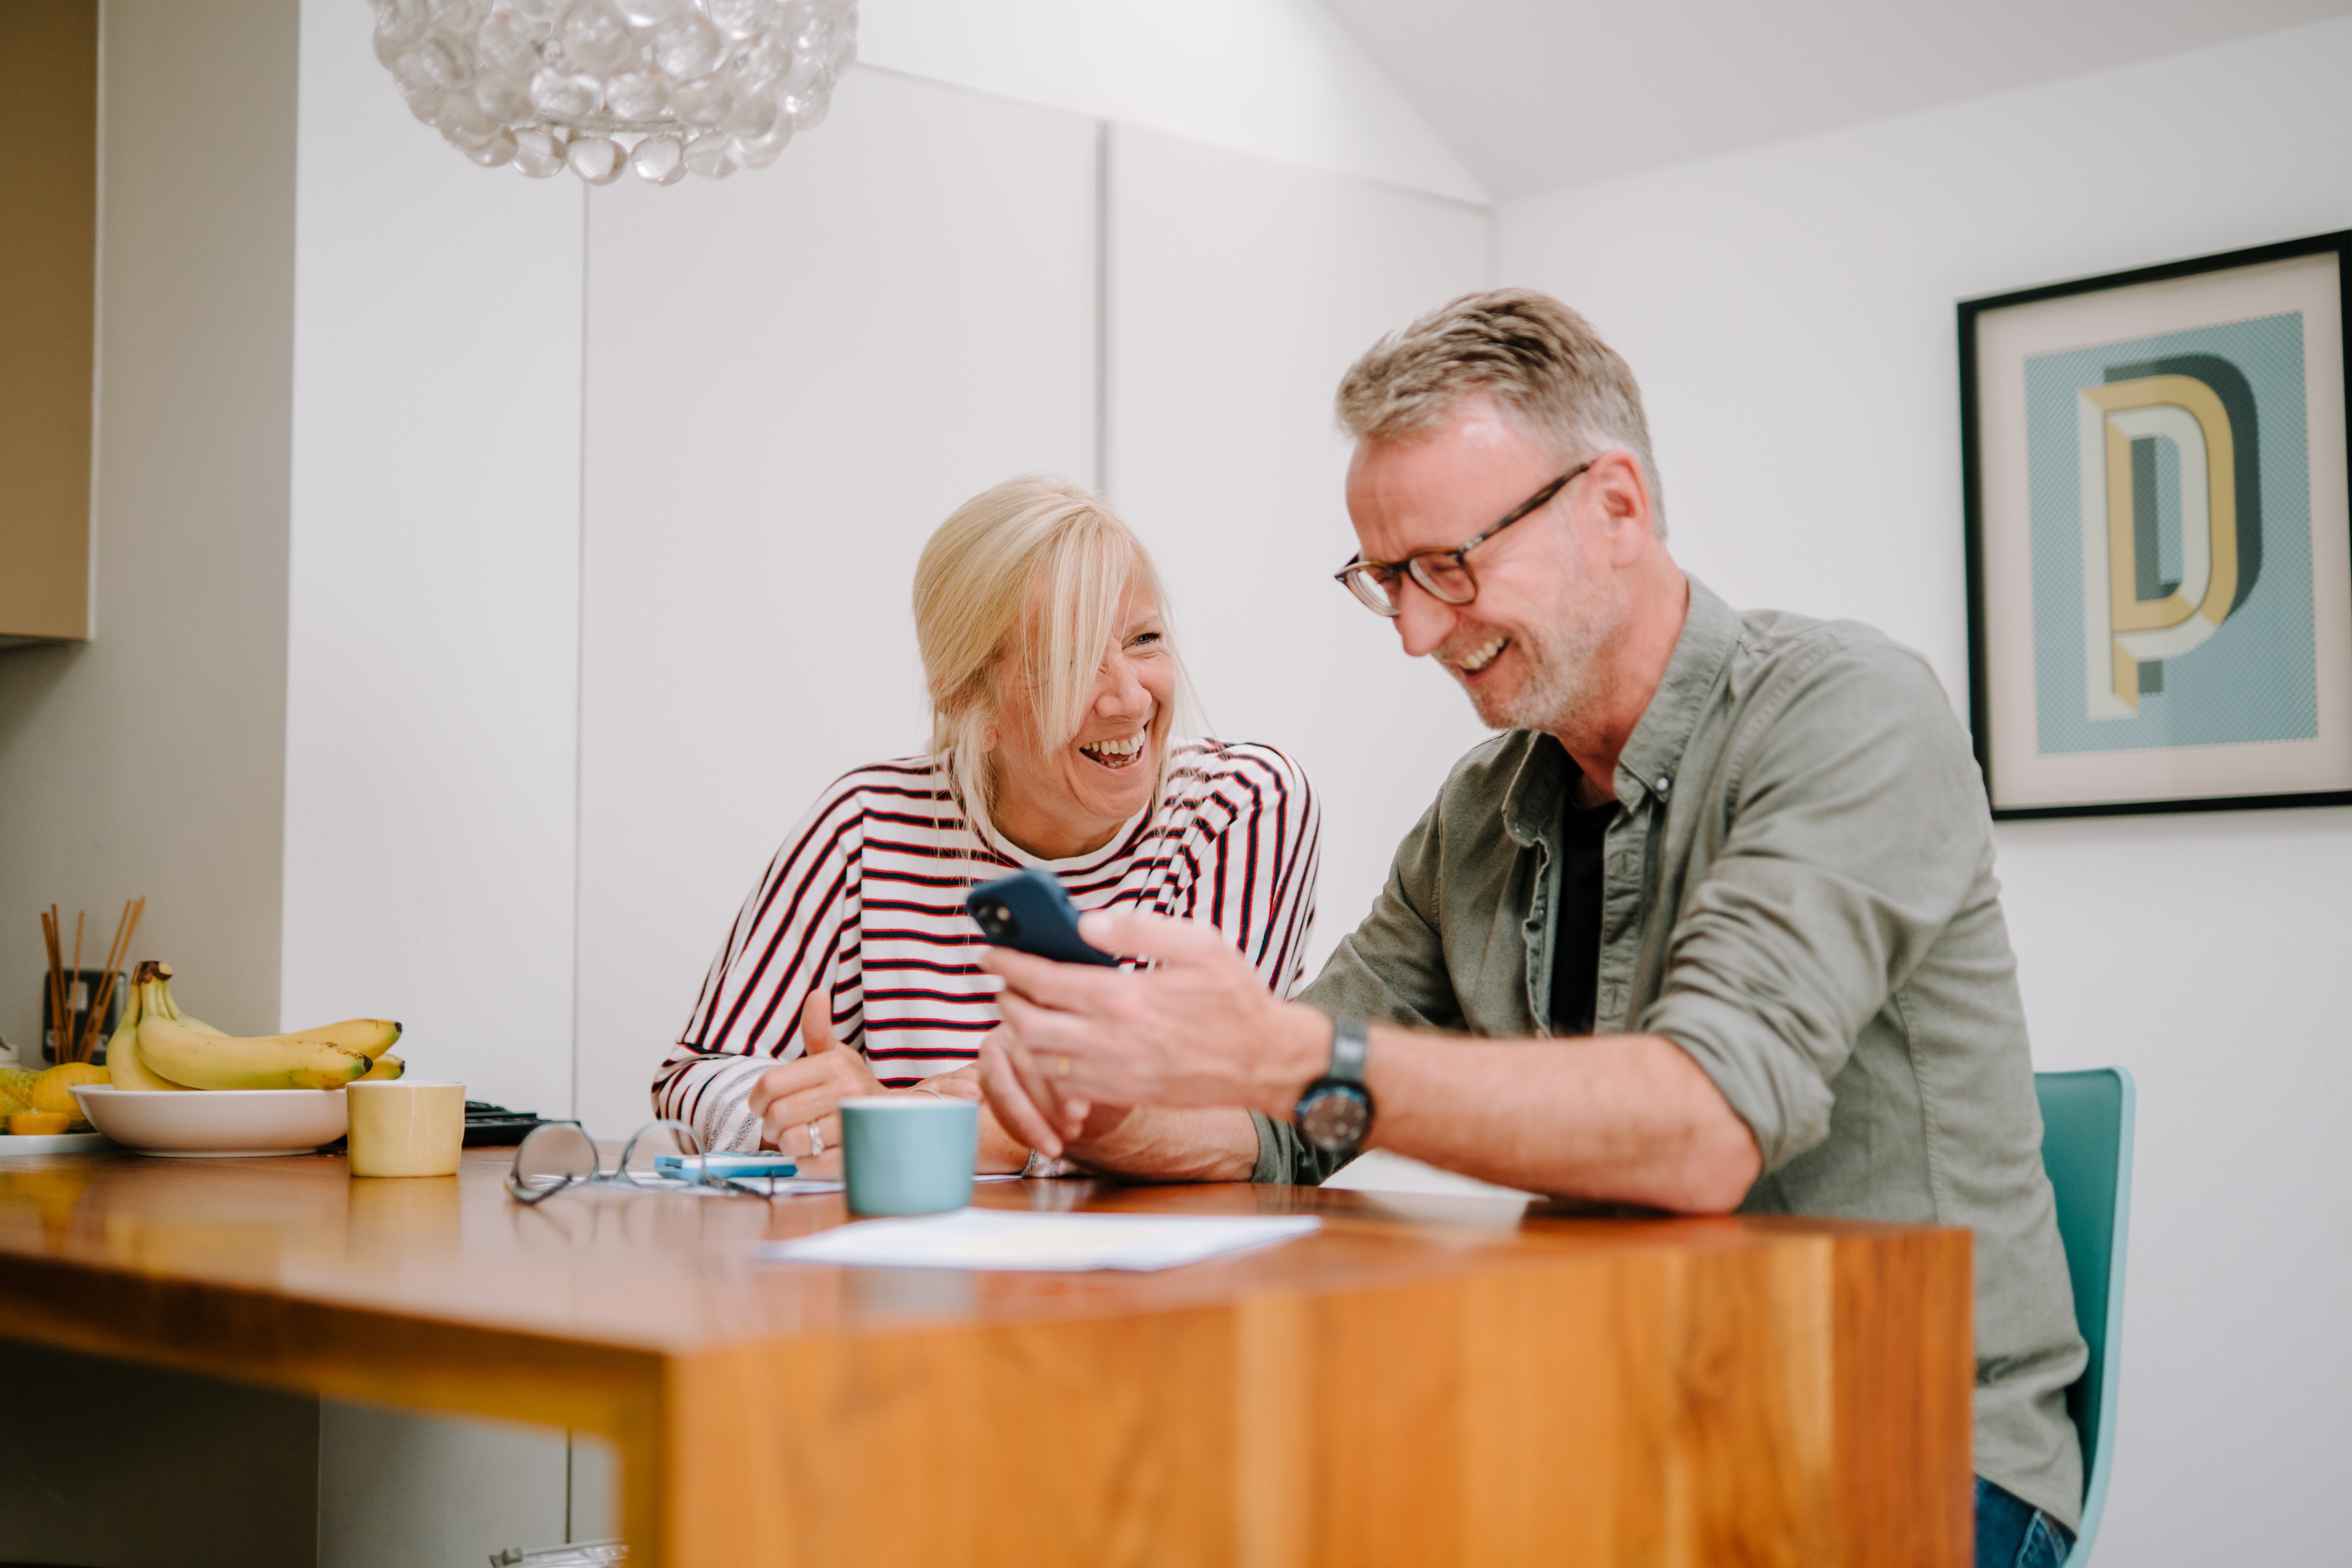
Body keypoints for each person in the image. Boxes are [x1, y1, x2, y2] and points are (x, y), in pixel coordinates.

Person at [972, 291, 2087, 1568]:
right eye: (1383, 579)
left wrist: (1272, 1050)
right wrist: (1119, 1090)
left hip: (1899, 1446)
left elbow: (1698, 1128)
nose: (1412, 633)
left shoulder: (1849, 713)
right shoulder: (1482, 811)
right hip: (1614, 1415)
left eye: (1446, 566)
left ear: (1615, 507)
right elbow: (1288, 1126)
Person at [651, 474, 1319, 1177]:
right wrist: (811, 1116)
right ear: (969, 698)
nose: (1127, 698)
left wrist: (928, 1125)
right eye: (1066, 661)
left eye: (1144, 639)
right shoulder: (867, 824)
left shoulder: (1240, 805)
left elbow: (1204, 1116)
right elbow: (695, 1078)